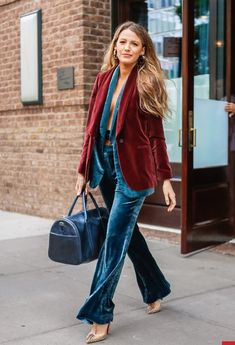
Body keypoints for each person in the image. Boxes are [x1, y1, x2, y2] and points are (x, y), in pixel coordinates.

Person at [75, 21, 176, 344]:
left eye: (134, 43)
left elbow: (157, 137)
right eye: (122, 42)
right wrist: (82, 171)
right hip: (104, 166)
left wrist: (166, 179)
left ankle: (100, 313)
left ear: (143, 50)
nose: (127, 47)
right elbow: (91, 130)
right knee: (127, 235)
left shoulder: (147, 82)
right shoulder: (103, 79)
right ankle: (156, 288)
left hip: (133, 171)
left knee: (114, 239)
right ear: (115, 45)